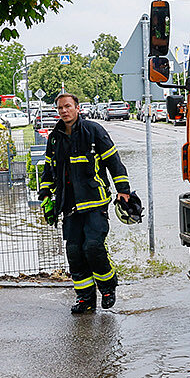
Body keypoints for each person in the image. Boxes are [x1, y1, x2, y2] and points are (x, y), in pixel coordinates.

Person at [37, 91, 139, 313]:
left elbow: (114, 162)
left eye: (67, 106)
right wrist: (45, 195)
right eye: (60, 108)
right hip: (69, 204)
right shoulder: (55, 137)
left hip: (95, 201)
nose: (64, 111)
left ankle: (108, 288)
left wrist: (123, 191)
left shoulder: (93, 131)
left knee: (92, 247)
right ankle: (85, 299)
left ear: (77, 108)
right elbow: (48, 170)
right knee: (74, 252)